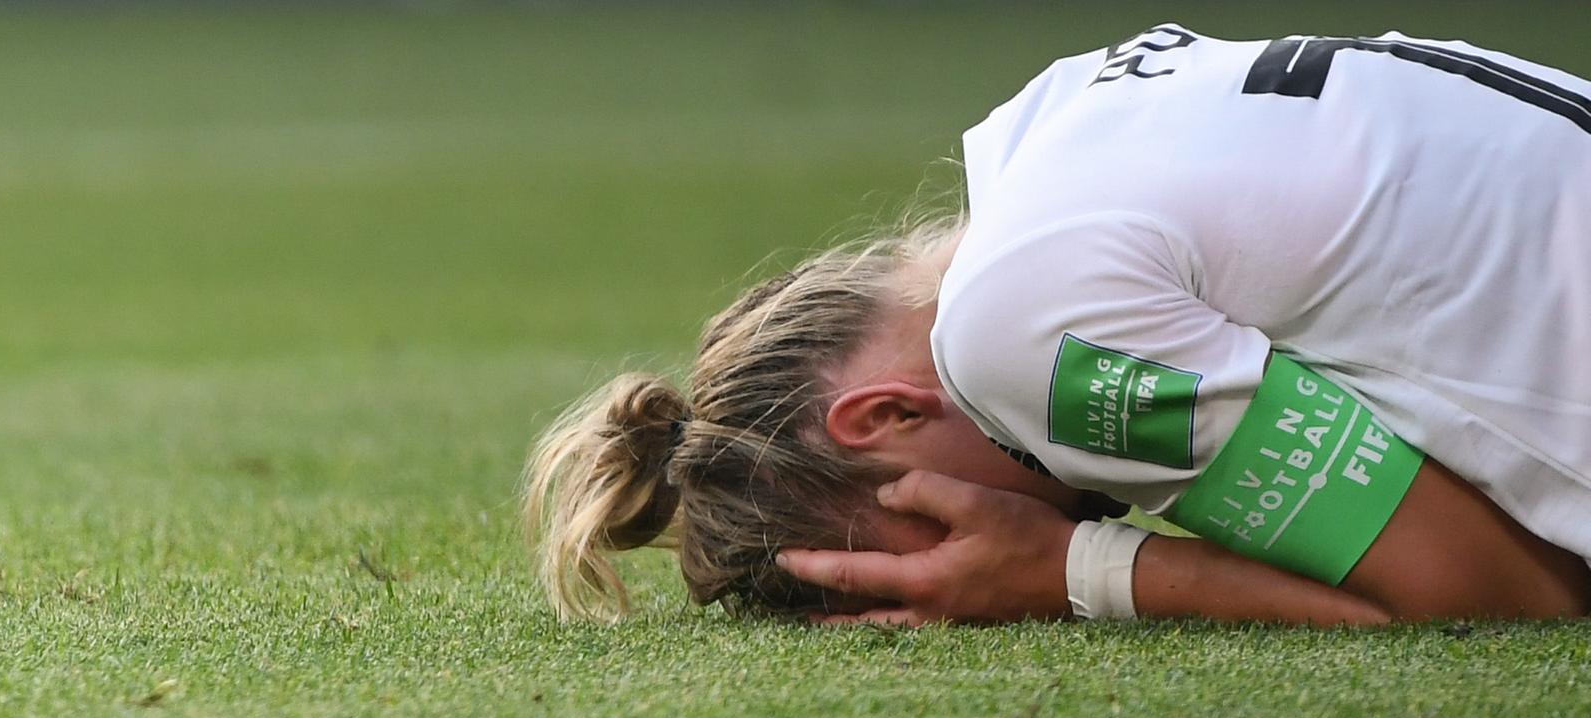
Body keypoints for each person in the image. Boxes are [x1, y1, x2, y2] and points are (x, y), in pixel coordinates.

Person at [526, 25, 1591, 626]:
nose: (957, 567)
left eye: (928, 533)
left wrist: (1070, 569)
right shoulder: (1052, 113)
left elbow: (1492, 599)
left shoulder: (1011, 333)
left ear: (881, 417)